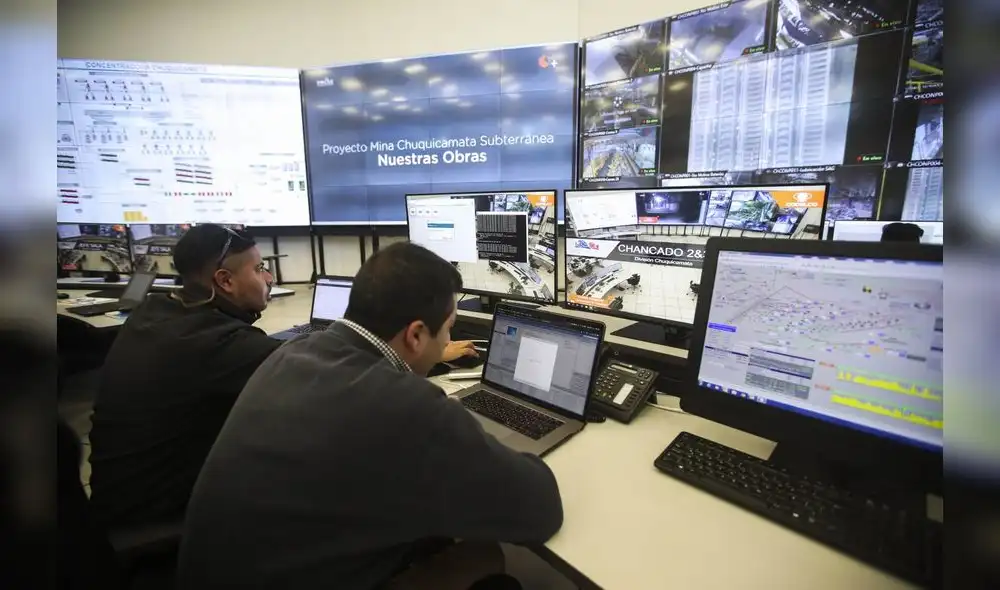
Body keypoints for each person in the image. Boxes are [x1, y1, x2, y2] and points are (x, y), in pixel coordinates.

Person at [177, 242, 563, 590]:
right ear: (415, 335)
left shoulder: (292, 354)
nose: (448, 341)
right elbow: (540, 509)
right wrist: (473, 441)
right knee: (483, 554)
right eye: (448, 329)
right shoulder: (406, 406)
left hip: (225, 570)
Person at [87, 224, 282, 529]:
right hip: (159, 524)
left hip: (114, 503)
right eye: (259, 269)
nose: (269, 278)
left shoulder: (152, 311)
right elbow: (315, 378)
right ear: (225, 280)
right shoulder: (221, 344)